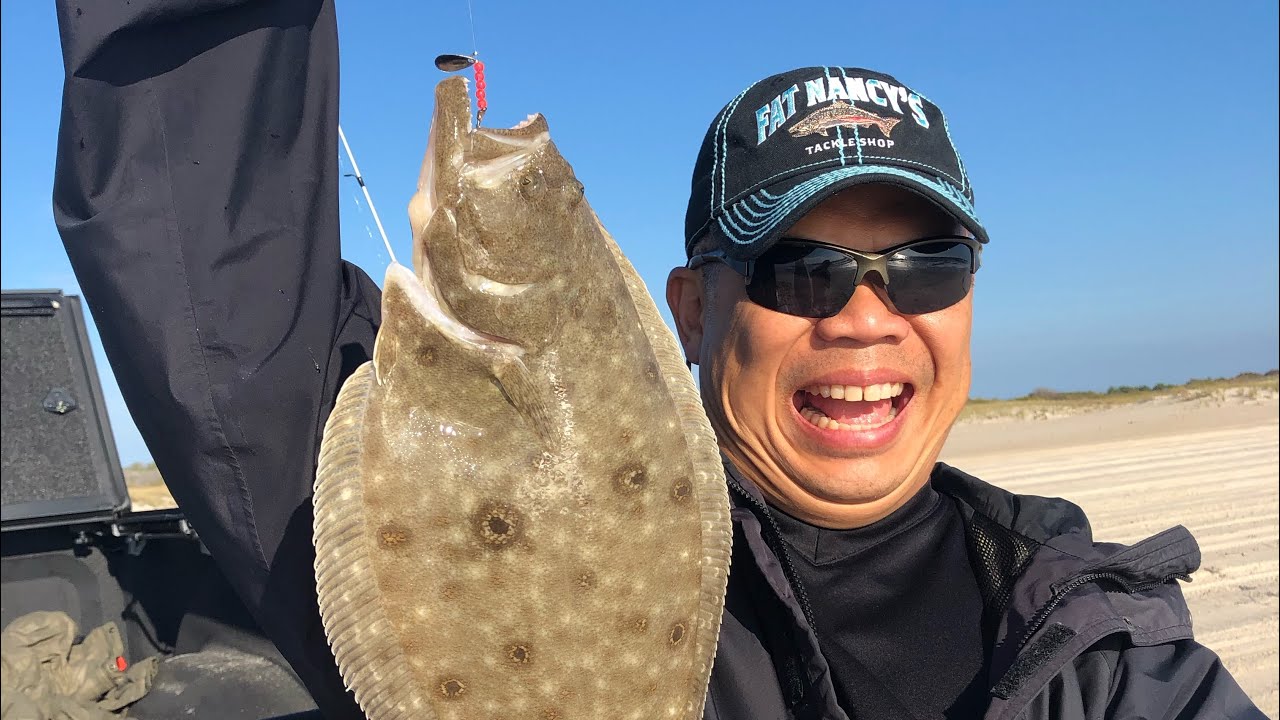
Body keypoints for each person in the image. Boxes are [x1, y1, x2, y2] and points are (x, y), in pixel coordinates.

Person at [51, 3, 1263, 719]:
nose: (863, 315)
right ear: (686, 310)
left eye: (925, 262)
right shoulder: (431, 430)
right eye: (798, 269)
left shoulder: (1101, 654)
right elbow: (215, 269)